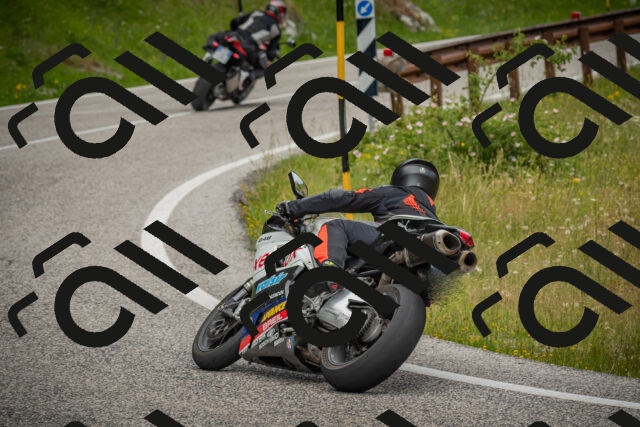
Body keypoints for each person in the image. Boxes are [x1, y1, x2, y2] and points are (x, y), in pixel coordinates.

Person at [276, 159, 441, 269]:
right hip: (425, 262)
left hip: (393, 239)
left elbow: (341, 198)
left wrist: (293, 208)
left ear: (401, 178)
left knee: (335, 226)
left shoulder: (395, 193)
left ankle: (329, 274)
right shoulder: (433, 218)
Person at [230, 0, 287, 87]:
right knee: (265, 68)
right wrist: (271, 57)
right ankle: (247, 79)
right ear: (280, 14)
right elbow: (271, 53)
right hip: (248, 45)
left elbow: (235, 21)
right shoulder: (275, 29)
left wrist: (235, 33)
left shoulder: (256, 13)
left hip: (233, 37)